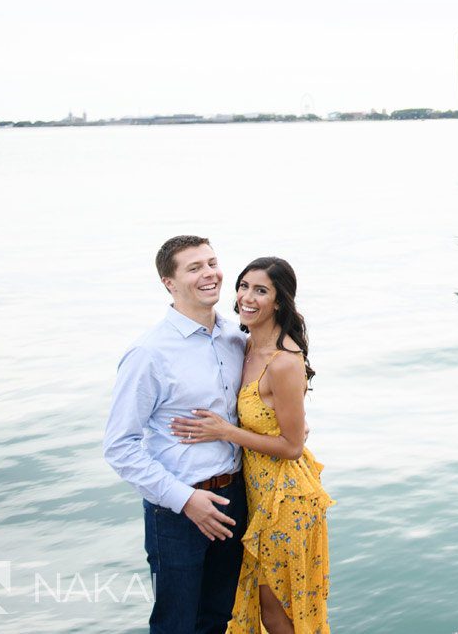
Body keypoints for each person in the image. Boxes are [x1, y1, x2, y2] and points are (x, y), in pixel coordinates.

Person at [171, 257, 332, 634]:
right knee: (258, 606)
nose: (247, 297)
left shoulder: (283, 361)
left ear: (279, 301)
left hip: (284, 500)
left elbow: (292, 446)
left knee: (276, 611)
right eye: (243, 286)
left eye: (261, 290)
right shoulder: (242, 345)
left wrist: (225, 432)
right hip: (254, 497)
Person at [104, 235, 249, 634]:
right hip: (177, 510)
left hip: (235, 498)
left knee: (219, 619)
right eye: (194, 267)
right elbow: (120, 448)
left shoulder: (237, 339)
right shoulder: (149, 354)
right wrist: (185, 500)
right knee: (176, 625)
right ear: (169, 283)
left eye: (212, 262)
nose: (210, 274)